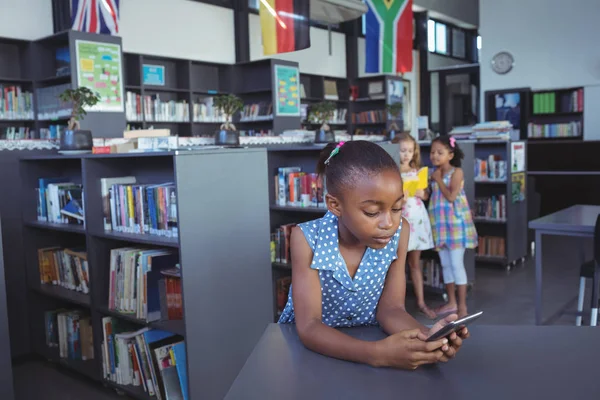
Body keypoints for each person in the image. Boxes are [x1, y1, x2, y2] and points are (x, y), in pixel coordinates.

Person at [278, 140, 469, 370]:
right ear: (335, 205)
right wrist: (377, 354)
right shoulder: (306, 238)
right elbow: (309, 326)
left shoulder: (400, 232)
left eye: (397, 208)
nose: (389, 223)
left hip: (368, 342)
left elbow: (391, 309)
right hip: (308, 354)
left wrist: (427, 339)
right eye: (372, 212)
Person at [428, 136, 478, 319]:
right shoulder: (433, 174)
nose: (434, 156)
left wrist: (438, 179)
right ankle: (451, 303)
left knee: (457, 265)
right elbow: (431, 197)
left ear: (450, 154)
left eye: (440, 153)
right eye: (432, 152)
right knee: (446, 265)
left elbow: (450, 196)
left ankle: (462, 305)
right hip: (440, 226)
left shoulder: (456, 172)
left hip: (456, 226)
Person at [394, 133, 436, 319]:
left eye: (410, 151)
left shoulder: (417, 171)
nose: (406, 154)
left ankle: (420, 302)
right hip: (399, 219)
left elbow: (425, 195)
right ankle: (396, 306)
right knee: (397, 264)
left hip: (417, 219)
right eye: (403, 150)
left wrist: (420, 192)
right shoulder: (392, 171)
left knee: (415, 264)